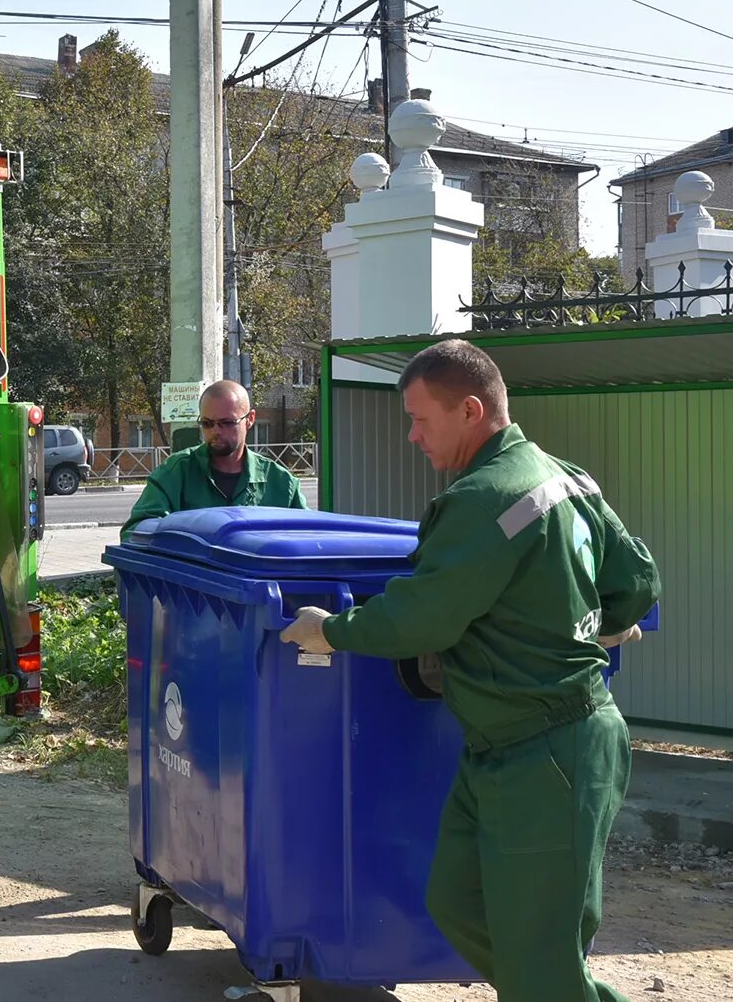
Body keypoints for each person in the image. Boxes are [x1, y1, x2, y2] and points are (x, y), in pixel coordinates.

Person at [281, 339, 659, 1002]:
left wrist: (331, 630)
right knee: (458, 901)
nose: (412, 435)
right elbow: (635, 582)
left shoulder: (486, 496)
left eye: (423, 419)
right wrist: (590, 617)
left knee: (540, 953)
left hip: (549, 748)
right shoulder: (564, 477)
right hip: (503, 747)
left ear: (473, 409)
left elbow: (420, 617)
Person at [119, 379, 306, 538]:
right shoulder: (176, 472)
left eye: (227, 423)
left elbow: (311, 538)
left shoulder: (281, 483)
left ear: (250, 419)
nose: (216, 431)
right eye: (207, 424)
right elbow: (135, 533)